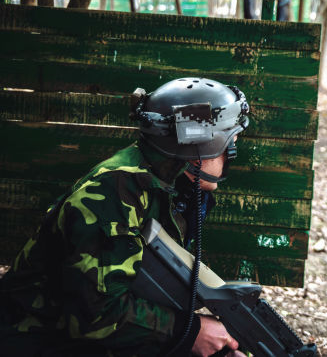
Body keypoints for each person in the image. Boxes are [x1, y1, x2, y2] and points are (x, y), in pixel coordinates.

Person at [0, 77, 250, 357]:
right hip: (38, 339)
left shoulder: (171, 186)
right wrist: (190, 332)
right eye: (230, 144)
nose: (232, 155)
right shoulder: (112, 196)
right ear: (198, 153)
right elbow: (94, 317)